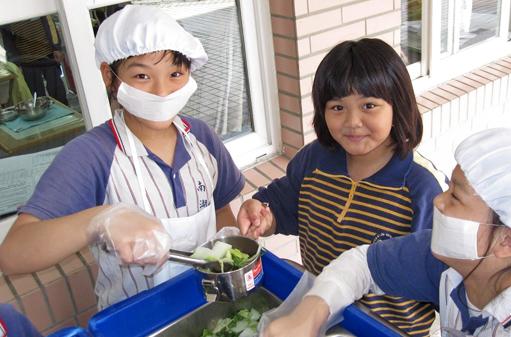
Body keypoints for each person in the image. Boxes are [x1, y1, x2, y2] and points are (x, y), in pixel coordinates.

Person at [0, 5, 244, 309]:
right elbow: (12, 254)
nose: (162, 91)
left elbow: (221, 209)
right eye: (142, 76)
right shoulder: (91, 156)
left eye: (175, 74)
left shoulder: (202, 138)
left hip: (207, 306)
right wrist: (98, 219)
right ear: (109, 75)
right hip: (136, 319)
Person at [263, 128, 511, 337]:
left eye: (455, 196)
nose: (438, 201)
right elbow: (361, 264)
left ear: (509, 241)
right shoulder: (448, 264)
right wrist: (309, 315)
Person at [236, 38, 444, 336]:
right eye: (337, 107)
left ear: (398, 105)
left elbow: (441, 275)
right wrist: (262, 214)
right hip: (318, 316)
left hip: (388, 329)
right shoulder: (314, 160)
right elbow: (282, 204)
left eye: (369, 105)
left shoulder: (419, 188)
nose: (352, 122)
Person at [0, 15, 68, 105]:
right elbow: (7, 39)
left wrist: (56, 47)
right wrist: (15, 62)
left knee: (58, 92)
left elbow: (50, 23)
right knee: (36, 97)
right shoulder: (8, 13)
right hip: (27, 60)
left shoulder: (37, 6)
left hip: (48, 56)